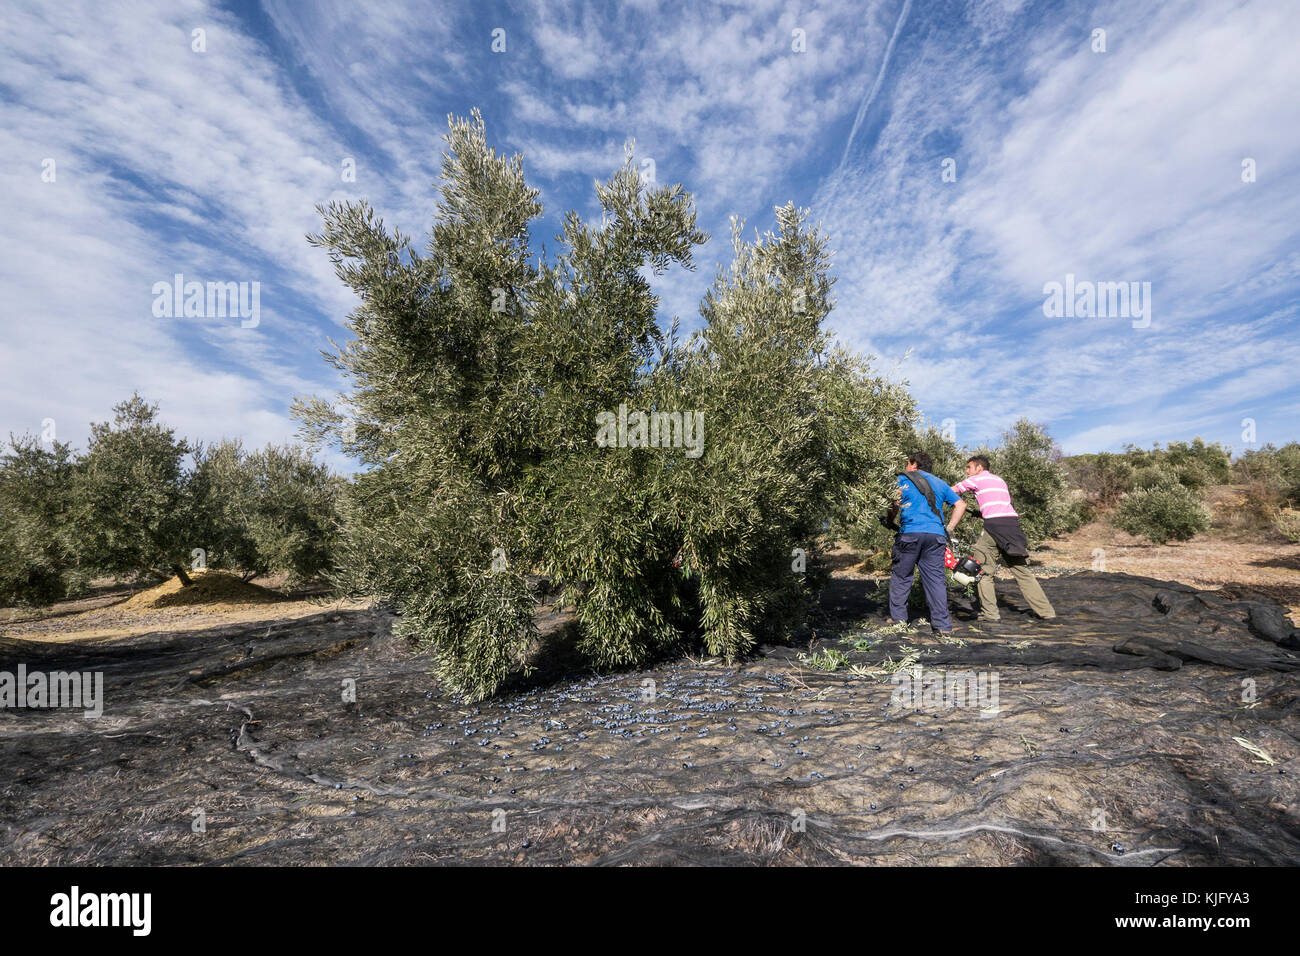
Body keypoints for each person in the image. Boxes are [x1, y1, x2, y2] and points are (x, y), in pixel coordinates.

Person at [950, 455, 1056, 623]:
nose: (966, 471)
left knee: (982, 570)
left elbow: (951, 491)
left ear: (979, 468)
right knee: (1022, 572)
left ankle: (991, 615)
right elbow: (1000, 505)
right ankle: (1047, 612)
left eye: (969, 467)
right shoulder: (1000, 480)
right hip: (1012, 526)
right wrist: (981, 513)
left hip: (994, 527)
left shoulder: (976, 479)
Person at [886, 451, 965, 633]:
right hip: (935, 536)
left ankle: (898, 620)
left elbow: (895, 502)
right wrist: (949, 529)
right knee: (935, 580)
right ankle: (942, 625)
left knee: (902, 576)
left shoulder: (903, 479)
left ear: (913, 464)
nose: (906, 467)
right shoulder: (940, 482)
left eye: (907, 463)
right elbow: (961, 505)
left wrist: (890, 518)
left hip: (910, 533)